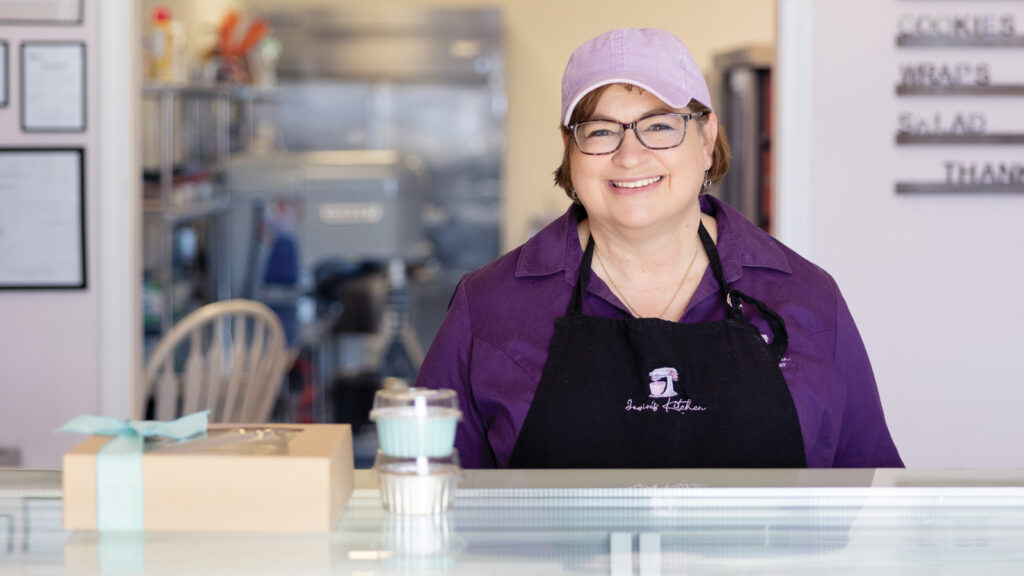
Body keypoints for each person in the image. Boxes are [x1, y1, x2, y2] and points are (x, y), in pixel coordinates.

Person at [416, 27, 903, 469]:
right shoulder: (488, 306)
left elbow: (870, 498)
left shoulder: (805, 296)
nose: (630, 156)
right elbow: (425, 498)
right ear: (570, 150)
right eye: (601, 130)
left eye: (660, 125)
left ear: (707, 138)